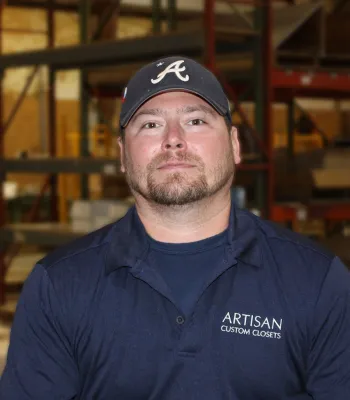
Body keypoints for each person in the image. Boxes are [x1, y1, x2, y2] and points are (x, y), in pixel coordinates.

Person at [1, 56, 349, 399]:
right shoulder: (59, 285)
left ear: (235, 144)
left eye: (196, 121)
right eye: (150, 124)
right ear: (122, 156)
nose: (173, 139)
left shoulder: (316, 281)